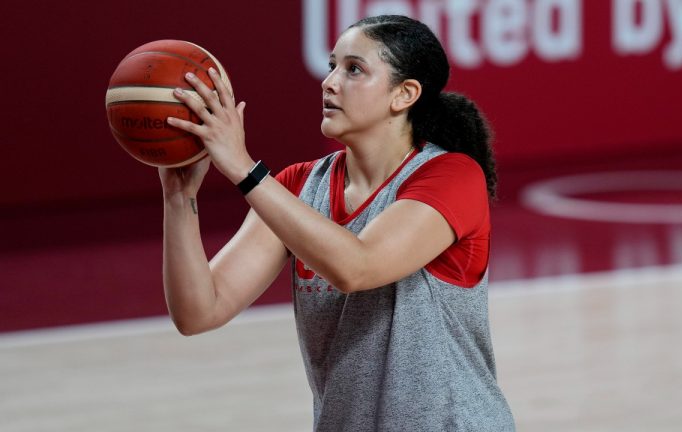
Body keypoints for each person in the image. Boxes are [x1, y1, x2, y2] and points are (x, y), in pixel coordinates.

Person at [162, 14, 515, 432]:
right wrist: (178, 197)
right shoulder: (297, 188)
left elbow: (357, 267)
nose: (329, 82)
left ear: (403, 94)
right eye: (332, 66)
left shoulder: (452, 176)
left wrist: (243, 168)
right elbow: (199, 311)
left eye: (354, 69)